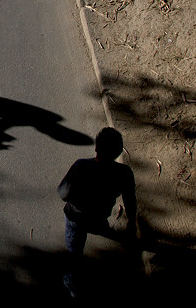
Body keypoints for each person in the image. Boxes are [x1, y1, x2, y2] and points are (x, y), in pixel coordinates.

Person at [57, 127, 138, 298]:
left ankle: (72, 283)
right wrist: (131, 221)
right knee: (100, 227)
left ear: (96, 147)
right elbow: (130, 200)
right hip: (98, 217)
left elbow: (63, 193)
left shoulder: (80, 166)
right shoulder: (124, 173)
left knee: (74, 250)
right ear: (118, 152)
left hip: (76, 218)